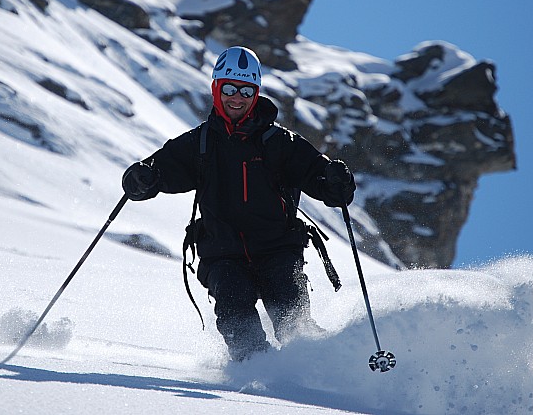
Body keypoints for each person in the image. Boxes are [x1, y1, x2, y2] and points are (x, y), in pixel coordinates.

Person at [121, 46, 356, 361]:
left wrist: (337, 181)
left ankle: (327, 368)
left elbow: (327, 187)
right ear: (216, 89)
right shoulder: (198, 144)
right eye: (229, 88)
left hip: (278, 251)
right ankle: (259, 373)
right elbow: (153, 177)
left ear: (256, 93)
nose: (237, 97)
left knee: (292, 320)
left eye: (246, 90)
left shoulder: (282, 144)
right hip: (223, 254)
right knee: (235, 312)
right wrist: (140, 179)